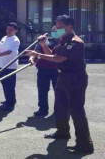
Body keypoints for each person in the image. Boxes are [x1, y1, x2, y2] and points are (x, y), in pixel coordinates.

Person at [26, 16, 94, 154]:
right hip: (63, 76)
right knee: (60, 107)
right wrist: (44, 45)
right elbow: (52, 54)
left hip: (76, 78)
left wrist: (37, 54)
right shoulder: (63, 40)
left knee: (76, 110)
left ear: (69, 26)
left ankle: (85, 144)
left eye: (60, 25)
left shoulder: (76, 42)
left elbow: (59, 58)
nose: (56, 28)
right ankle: (63, 132)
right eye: (56, 25)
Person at [29, 15, 68, 116]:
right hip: (42, 69)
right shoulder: (45, 40)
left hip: (57, 69)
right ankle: (43, 109)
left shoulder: (61, 41)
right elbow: (36, 51)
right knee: (42, 90)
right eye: (55, 28)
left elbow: (51, 55)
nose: (56, 30)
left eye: (59, 28)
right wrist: (32, 58)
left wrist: (43, 44)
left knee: (58, 90)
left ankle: (58, 109)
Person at [0, 22, 20, 111]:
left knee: (9, 86)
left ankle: (10, 104)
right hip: (2, 65)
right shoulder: (4, 38)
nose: (9, 31)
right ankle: (9, 100)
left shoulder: (15, 40)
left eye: (11, 29)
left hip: (10, 66)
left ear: (16, 31)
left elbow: (9, 52)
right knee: (4, 84)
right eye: (8, 29)